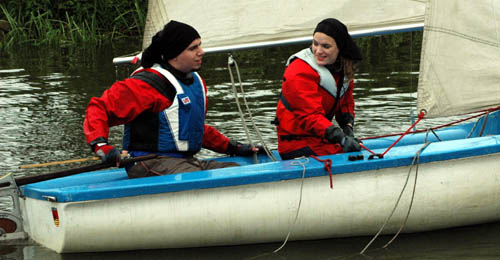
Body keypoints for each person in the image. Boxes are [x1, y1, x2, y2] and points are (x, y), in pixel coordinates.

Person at [84, 20, 261, 178]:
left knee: (236, 170)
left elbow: (193, 129)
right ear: (174, 55)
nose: (202, 52)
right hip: (149, 163)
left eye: (200, 45)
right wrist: (101, 145)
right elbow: (98, 108)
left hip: (184, 161)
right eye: (193, 48)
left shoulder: (195, 82)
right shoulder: (146, 84)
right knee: (211, 178)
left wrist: (232, 148)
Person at [274, 18, 362, 160]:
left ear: (340, 48)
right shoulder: (298, 70)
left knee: (356, 151)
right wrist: (341, 138)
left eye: (326, 46)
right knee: (351, 156)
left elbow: (346, 103)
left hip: (321, 139)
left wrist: (348, 128)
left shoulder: (343, 68)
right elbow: (309, 116)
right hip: (296, 145)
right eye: (315, 44)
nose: (318, 51)